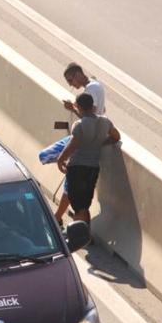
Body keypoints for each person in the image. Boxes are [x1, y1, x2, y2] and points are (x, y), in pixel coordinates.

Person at [53, 62, 106, 224]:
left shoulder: (91, 91)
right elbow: (100, 115)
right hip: (92, 160)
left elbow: (88, 118)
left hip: (81, 159)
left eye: (71, 80)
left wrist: (73, 109)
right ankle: (58, 217)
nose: (71, 85)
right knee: (76, 194)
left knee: (74, 193)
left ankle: (61, 220)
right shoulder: (96, 87)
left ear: (77, 74)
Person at [57, 93, 120, 224]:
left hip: (77, 168)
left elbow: (73, 144)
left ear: (78, 107)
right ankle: (85, 233)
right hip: (93, 168)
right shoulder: (105, 122)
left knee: (78, 205)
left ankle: (82, 234)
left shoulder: (79, 124)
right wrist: (102, 143)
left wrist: (61, 158)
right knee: (84, 204)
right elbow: (116, 137)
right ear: (92, 106)